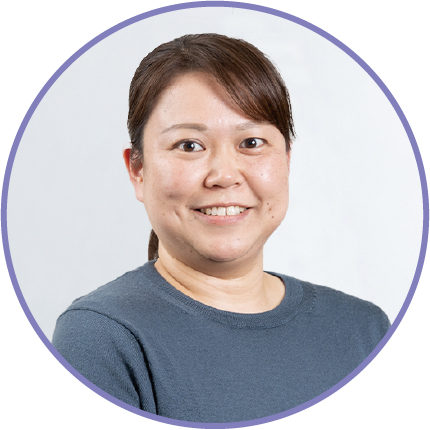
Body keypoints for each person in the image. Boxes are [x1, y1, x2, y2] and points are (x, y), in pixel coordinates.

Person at [52, 34, 390, 423]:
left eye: (252, 142)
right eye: (189, 146)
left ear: (286, 160)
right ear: (138, 171)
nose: (224, 175)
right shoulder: (101, 338)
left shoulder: (363, 331)